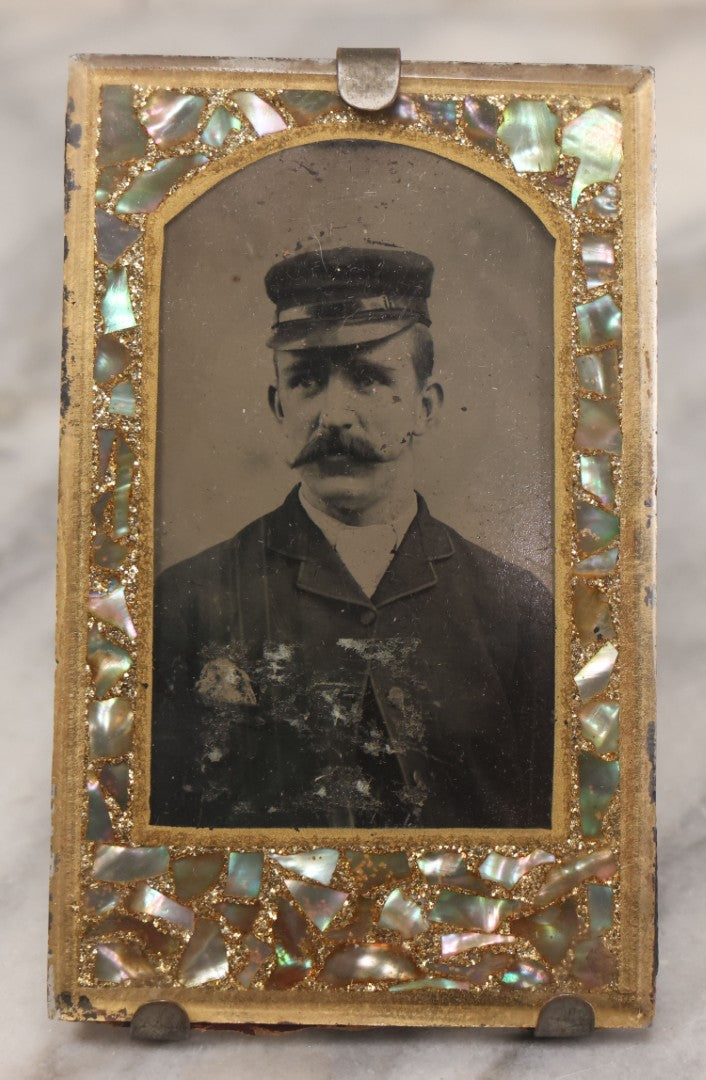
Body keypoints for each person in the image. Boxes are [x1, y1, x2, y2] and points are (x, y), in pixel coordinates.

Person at [150, 244, 554, 829]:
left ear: (426, 406)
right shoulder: (188, 600)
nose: (334, 415)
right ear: (277, 406)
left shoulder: (516, 611)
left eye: (369, 379)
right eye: (307, 382)